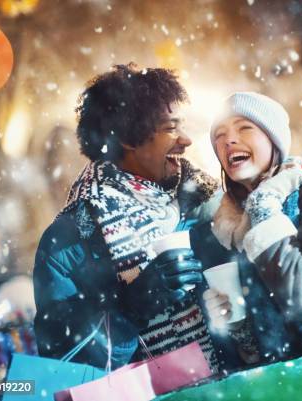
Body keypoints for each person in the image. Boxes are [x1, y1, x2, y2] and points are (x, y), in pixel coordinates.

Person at [33, 63, 221, 371]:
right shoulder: (68, 241)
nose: (185, 140)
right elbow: (61, 362)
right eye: (171, 127)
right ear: (128, 139)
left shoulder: (203, 201)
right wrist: (131, 307)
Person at [198, 92, 302, 366]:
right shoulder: (226, 228)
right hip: (285, 384)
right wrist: (235, 327)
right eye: (219, 134)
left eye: (245, 127)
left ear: (274, 140)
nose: (228, 139)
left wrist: (263, 206)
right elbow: (258, 349)